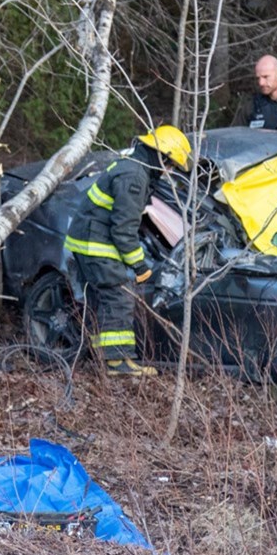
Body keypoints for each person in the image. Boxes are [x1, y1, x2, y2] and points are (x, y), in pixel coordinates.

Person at [63, 125, 191, 379]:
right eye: (172, 165)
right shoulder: (135, 177)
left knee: (105, 299)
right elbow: (123, 230)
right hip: (96, 244)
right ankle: (117, 363)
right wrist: (141, 267)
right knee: (119, 296)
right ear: (162, 157)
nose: (171, 172)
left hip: (90, 239)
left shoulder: (133, 167)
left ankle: (104, 358)